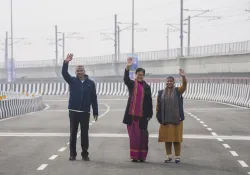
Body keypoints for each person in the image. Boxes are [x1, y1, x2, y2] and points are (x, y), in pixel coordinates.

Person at [62, 53, 98, 161]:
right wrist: (66, 62)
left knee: (84, 134)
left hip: (85, 112)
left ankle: (85, 154)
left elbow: (94, 98)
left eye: (81, 70)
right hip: (73, 111)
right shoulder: (72, 80)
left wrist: (95, 111)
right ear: (75, 72)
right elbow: (64, 72)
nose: (79, 72)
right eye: (78, 70)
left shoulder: (90, 83)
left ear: (84, 71)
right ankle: (72, 154)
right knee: (73, 133)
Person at [123, 59, 153, 162]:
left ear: (144, 75)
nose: (140, 76)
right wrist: (127, 68)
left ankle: (142, 156)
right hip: (132, 116)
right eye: (138, 74)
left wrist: (150, 114)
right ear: (135, 75)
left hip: (142, 117)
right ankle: (135, 156)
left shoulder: (147, 87)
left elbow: (149, 101)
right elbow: (126, 79)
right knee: (134, 138)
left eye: (142, 74)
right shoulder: (131, 84)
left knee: (143, 138)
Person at [156, 69, 187, 163]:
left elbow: (184, 86)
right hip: (165, 119)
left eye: (171, 81)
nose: (169, 82)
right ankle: (169, 156)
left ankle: (177, 157)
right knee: (167, 139)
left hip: (177, 119)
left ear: (174, 82)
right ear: (165, 82)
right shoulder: (161, 92)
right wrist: (159, 116)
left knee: (177, 140)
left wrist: (183, 77)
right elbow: (158, 105)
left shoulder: (178, 91)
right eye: (168, 81)